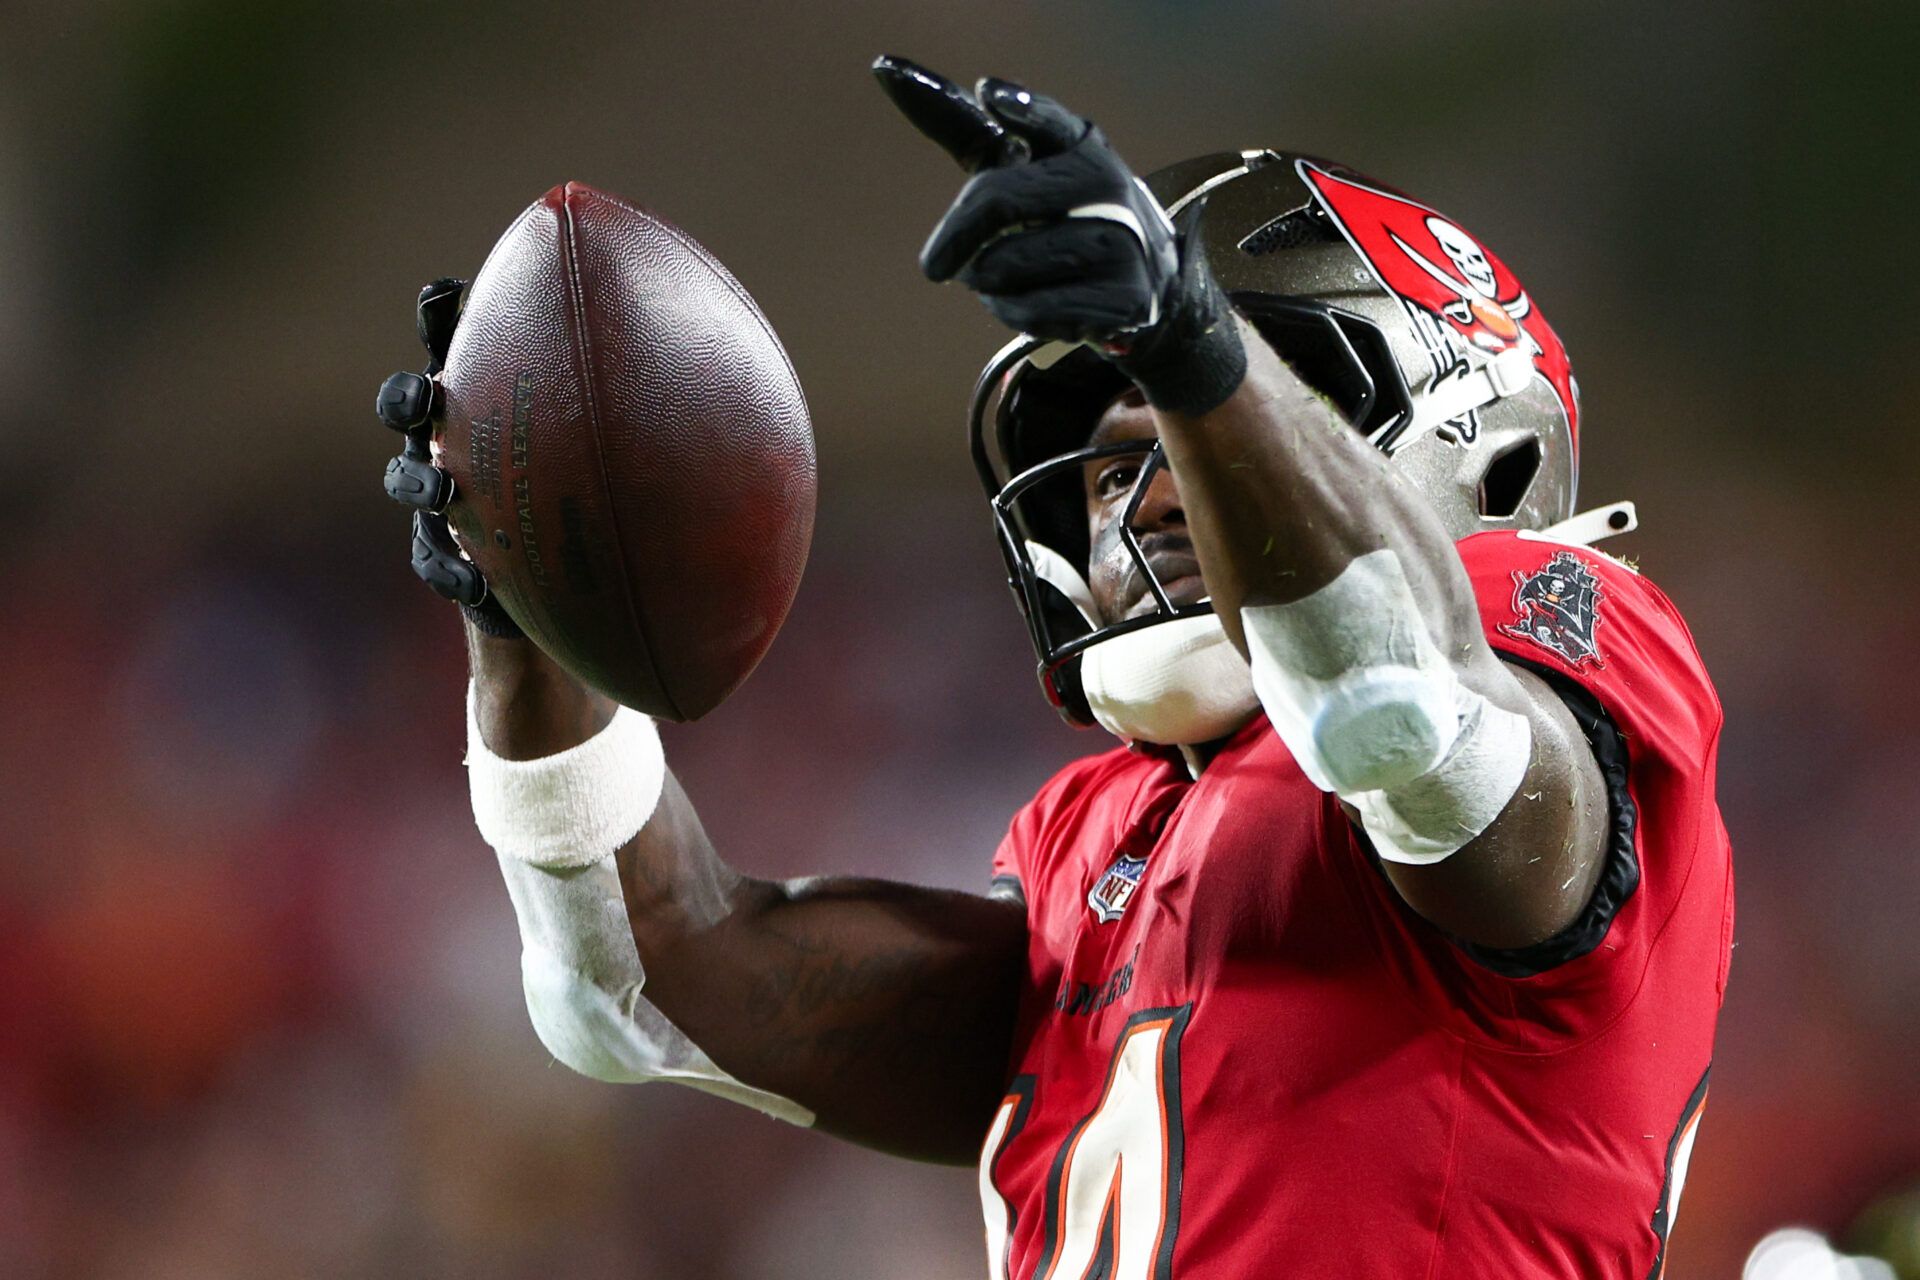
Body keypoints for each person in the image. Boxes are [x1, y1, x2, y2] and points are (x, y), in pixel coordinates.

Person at [374, 58, 1732, 1279]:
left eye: (1197, 424)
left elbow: (1402, 713)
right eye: (1107, 462)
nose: (1140, 493)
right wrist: (524, 625)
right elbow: (643, 977)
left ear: (1473, 452)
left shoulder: (1563, 630)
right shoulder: (1105, 837)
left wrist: (1198, 346)